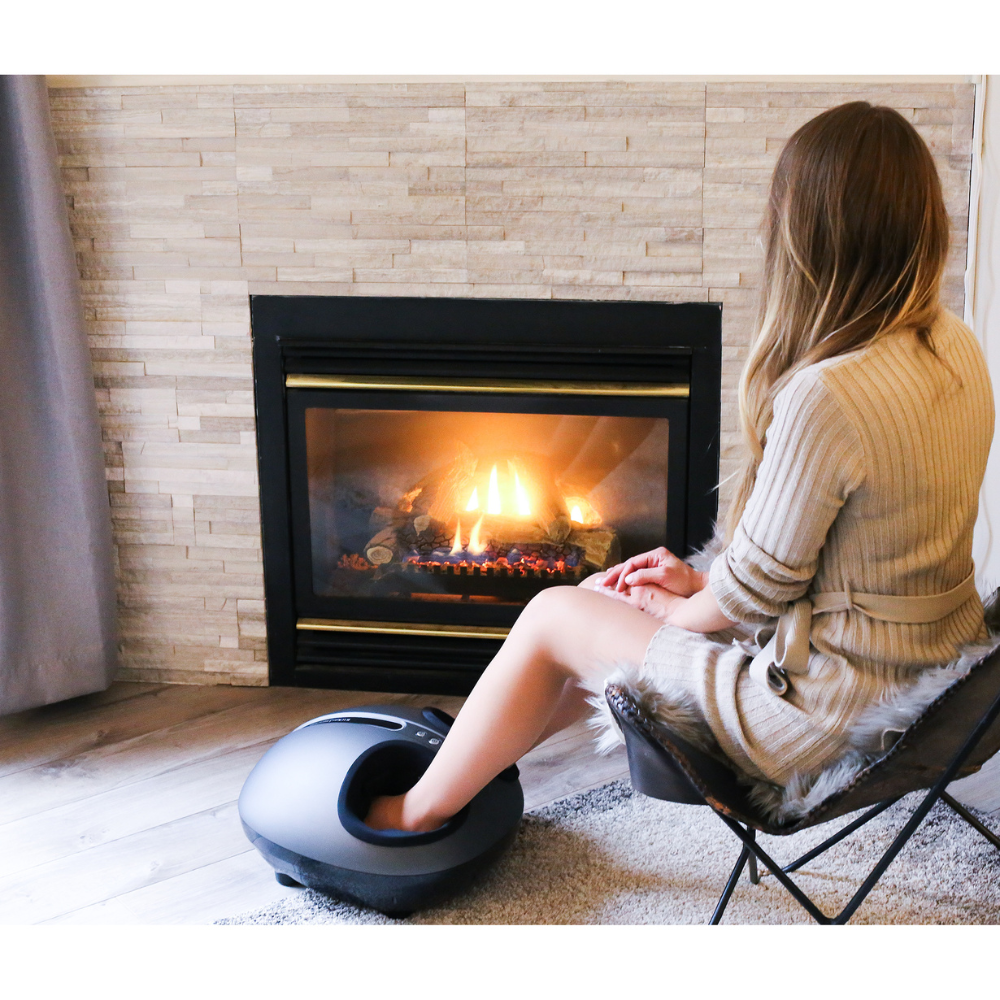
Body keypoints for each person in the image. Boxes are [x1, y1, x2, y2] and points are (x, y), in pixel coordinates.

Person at [365, 101, 994, 834]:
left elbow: (753, 595)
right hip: (930, 684)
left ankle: (409, 815)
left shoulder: (832, 394)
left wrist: (681, 608)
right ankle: (469, 765)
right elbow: (855, 556)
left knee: (554, 611)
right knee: (600, 606)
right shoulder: (958, 347)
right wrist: (696, 587)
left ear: (806, 238)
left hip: (821, 718)